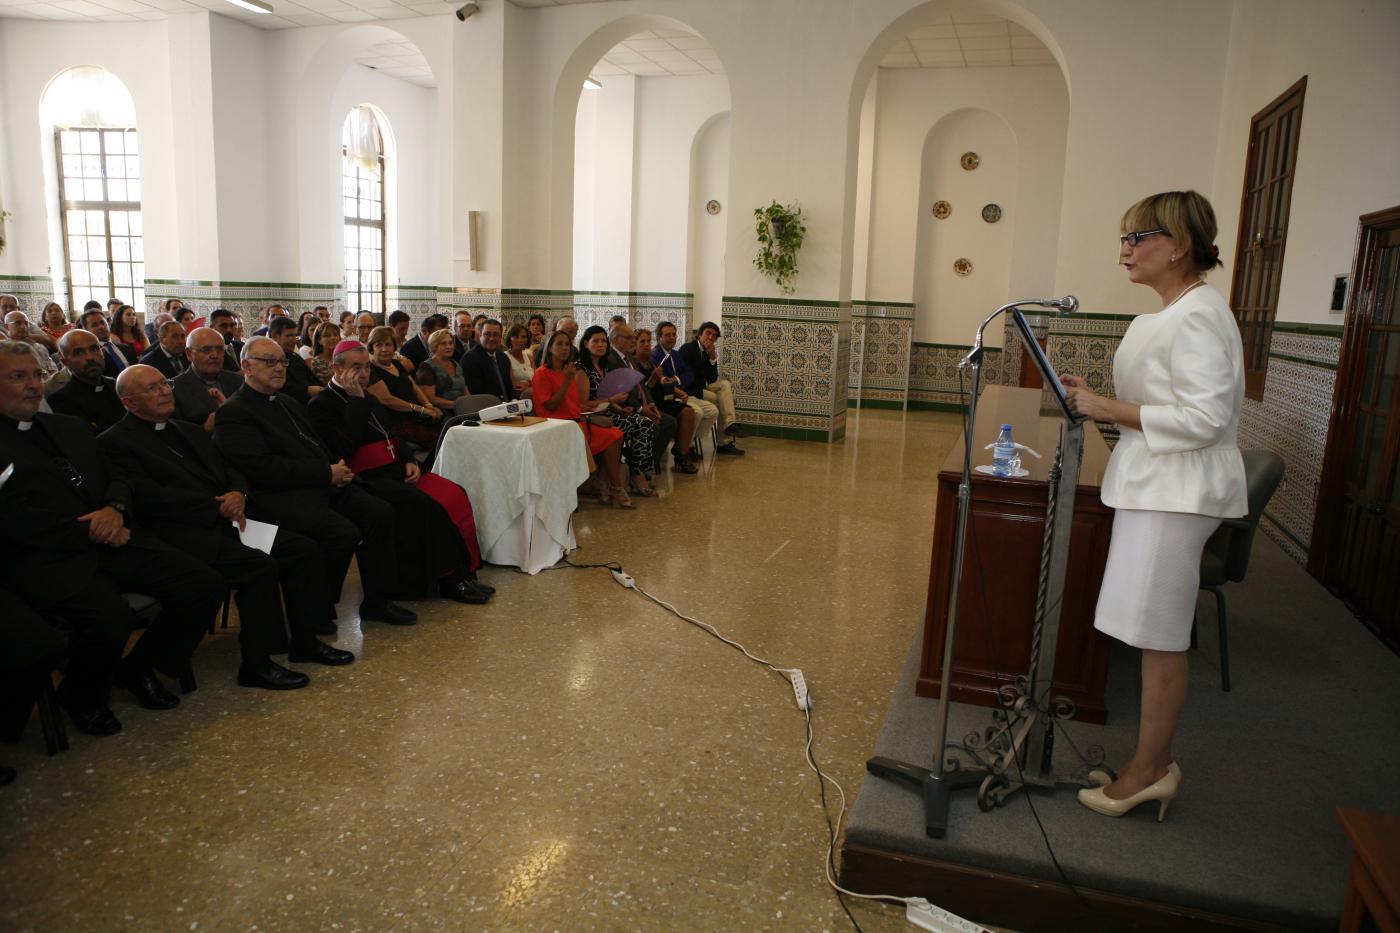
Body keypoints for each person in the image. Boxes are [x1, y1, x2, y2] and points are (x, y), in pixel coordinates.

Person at [1062, 190, 1247, 822]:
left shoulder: (1198, 314)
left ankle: (1150, 771)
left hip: (1179, 492)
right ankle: (1149, 759)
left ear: (1180, 244)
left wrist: (1107, 409)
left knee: (1160, 636)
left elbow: (1205, 417)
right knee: (1147, 630)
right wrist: (1096, 396)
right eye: (1123, 238)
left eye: (1138, 238)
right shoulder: (1170, 312)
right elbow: (1165, 399)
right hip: (1157, 485)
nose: (1125, 251)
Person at [0, 340, 226, 725]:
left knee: (202, 583)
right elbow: (12, 520)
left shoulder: (65, 426)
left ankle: (139, 666)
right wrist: (92, 530)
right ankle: (81, 695)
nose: (34, 386)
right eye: (18, 377)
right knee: (110, 617)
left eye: (37, 375)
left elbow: (116, 474)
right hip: (44, 557)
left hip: (113, 534)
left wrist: (115, 509)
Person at [101, 365, 339, 689]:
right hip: (183, 535)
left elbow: (230, 466)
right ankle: (257, 664)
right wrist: (217, 506)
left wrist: (237, 493)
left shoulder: (187, 430)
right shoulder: (114, 443)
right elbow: (149, 499)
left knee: (301, 550)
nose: (164, 391)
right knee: (259, 568)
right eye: (152, 389)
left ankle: (305, 642)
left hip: (229, 523)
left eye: (164, 383)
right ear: (129, 402)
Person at [212, 337, 417, 630]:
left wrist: (336, 470)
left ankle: (377, 600)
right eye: (269, 362)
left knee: (379, 512)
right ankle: (318, 608)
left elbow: (317, 445)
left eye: (282, 361)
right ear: (246, 366)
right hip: (280, 497)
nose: (279, 368)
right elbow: (262, 468)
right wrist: (325, 474)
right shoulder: (235, 411)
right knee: (342, 532)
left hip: (318, 484)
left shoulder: (287, 402)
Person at [309, 341, 492, 604]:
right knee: (427, 506)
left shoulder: (369, 397)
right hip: (364, 480)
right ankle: (449, 580)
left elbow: (392, 434)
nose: (363, 374)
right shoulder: (322, 405)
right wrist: (357, 402)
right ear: (336, 368)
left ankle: (462, 573)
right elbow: (344, 447)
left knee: (453, 493)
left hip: (394, 471)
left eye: (366, 367)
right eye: (355, 367)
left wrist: (409, 460)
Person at [532, 329, 633, 509]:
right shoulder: (542, 373)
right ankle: (616, 488)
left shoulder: (567, 371)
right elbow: (551, 406)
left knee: (615, 434)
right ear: (549, 349)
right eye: (559, 344)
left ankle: (606, 485)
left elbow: (575, 405)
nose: (564, 348)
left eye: (567, 344)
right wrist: (567, 380)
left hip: (575, 422)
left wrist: (594, 415)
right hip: (556, 427)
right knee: (609, 434)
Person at [579, 325, 657, 497]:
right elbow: (584, 403)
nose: (601, 345)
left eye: (603, 341)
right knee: (642, 424)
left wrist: (620, 408)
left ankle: (638, 472)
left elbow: (610, 396)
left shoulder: (604, 366)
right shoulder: (582, 368)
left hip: (609, 410)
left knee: (645, 423)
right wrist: (611, 401)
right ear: (586, 343)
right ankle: (637, 476)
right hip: (592, 415)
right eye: (596, 341)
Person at [612, 323, 680, 477]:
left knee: (669, 422)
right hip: (625, 408)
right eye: (631, 339)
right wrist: (642, 409)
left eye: (647, 341)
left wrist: (650, 405)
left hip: (644, 403)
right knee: (652, 425)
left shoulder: (630, 359)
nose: (633, 342)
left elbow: (642, 387)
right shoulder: (614, 360)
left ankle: (651, 461)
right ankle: (639, 467)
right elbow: (624, 392)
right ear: (616, 340)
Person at [364, 325, 442, 451]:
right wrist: (421, 410)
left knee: (446, 428)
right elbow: (387, 400)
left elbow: (414, 387)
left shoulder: (396, 364)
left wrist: (429, 406)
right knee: (438, 438)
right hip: (395, 421)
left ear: (394, 347)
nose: (384, 349)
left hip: (415, 416)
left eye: (388, 344)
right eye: (378, 345)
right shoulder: (370, 370)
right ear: (372, 348)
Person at [634, 327, 697, 474]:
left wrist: (677, 391)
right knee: (669, 421)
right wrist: (654, 378)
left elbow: (663, 381)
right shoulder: (633, 363)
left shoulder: (649, 361)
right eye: (642, 341)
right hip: (648, 403)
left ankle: (681, 456)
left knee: (688, 412)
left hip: (661, 399)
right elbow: (641, 392)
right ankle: (652, 460)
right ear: (634, 344)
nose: (646, 345)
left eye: (648, 341)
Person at [652, 321, 717, 459]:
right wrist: (677, 382)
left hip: (684, 394)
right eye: (667, 335)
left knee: (712, 411)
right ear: (659, 338)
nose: (671, 337)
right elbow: (663, 382)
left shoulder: (675, 354)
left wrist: (676, 379)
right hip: (669, 397)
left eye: (674, 334)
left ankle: (685, 444)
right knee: (697, 412)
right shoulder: (656, 355)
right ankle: (684, 449)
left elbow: (690, 375)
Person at [677, 321, 744, 453]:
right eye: (708, 333)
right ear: (699, 334)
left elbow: (712, 379)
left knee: (724, 385)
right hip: (690, 390)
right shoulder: (688, 349)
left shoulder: (707, 352)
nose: (711, 338)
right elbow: (687, 377)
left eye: (714, 336)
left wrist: (712, 358)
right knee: (722, 401)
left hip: (702, 388)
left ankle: (730, 424)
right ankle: (724, 442)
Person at [49, 329, 125, 431]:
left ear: (102, 352)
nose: (90, 357)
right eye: (79, 352)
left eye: (94, 349)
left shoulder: (116, 386)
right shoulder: (61, 400)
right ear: (65, 362)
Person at [172, 327, 244, 431]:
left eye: (220, 350)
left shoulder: (238, 381)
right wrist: (205, 429)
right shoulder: (174, 388)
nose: (215, 355)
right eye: (206, 350)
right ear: (189, 354)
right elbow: (175, 435)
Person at [267, 315, 323, 405]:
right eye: (289, 336)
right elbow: (276, 390)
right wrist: (306, 390)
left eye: (294, 336)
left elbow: (312, 379)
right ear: (274, 336)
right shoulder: (267, 360)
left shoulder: (294, 356)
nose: (293, 340)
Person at [461, 318, 515, 400]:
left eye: (496, 335)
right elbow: (476, 393)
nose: (492, 338)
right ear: (480, 335)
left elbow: (508, 386)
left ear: (501, 337)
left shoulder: (503, 357)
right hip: (487, 407)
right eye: (487, 334)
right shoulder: (470, 359)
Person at [78, 307, 137, 379]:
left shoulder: (126, 348)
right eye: (94, 325)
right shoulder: (91, 356)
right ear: (86, 330)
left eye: (102, 322)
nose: (101, 327)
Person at [415, 329, 466, 411]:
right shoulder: (426, 367)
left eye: (450, 343)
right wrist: (457, 405)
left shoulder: (456, 364)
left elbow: (465, 391)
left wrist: (469, 404)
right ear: (434, 346)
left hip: (461, 409)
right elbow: (431, 399)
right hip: (441, 412)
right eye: (443, 344)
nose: (448, 346)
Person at [4, 310, 60, 378]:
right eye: (18, 323)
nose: (23, 326)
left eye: (26, 323)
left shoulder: (39, 347)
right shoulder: (4, 350)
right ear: (6, 327)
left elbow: (53, 370)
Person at [305, 321, 341, 386]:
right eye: (327, 336)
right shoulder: (317, 362)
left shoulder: (343, 357)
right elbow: (332, 383)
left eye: (335, 334)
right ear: (319, 341)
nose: (333, 338)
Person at [503, 324, 534, 397]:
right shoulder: (505, 357)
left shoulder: (529, 356)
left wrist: (528, 386)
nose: (520, 340)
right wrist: (530, 384)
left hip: (532, 394)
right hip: (515, 397)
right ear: (510, 339)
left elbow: (537, 381)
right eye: (516, 337)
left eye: (523, 337)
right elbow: (513, 385)